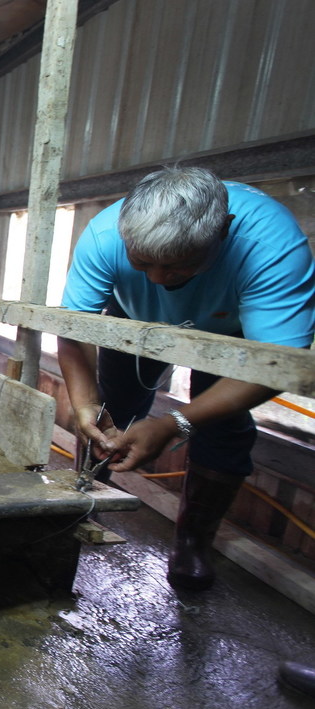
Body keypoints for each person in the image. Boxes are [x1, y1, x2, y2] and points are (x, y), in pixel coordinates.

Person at [58, 166, 315, 592]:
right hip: (132, 318)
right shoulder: (104, 236)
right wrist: (85, 403)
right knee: (111, 411)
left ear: (224, 231)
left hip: (231, 329)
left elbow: (279, 362)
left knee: (222, 427)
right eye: (142, 262)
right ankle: (85, 501)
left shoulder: (269, 244)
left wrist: (175, 423)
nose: (158, 279)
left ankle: (193, 542)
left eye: (179, 265)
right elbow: (73, 329)